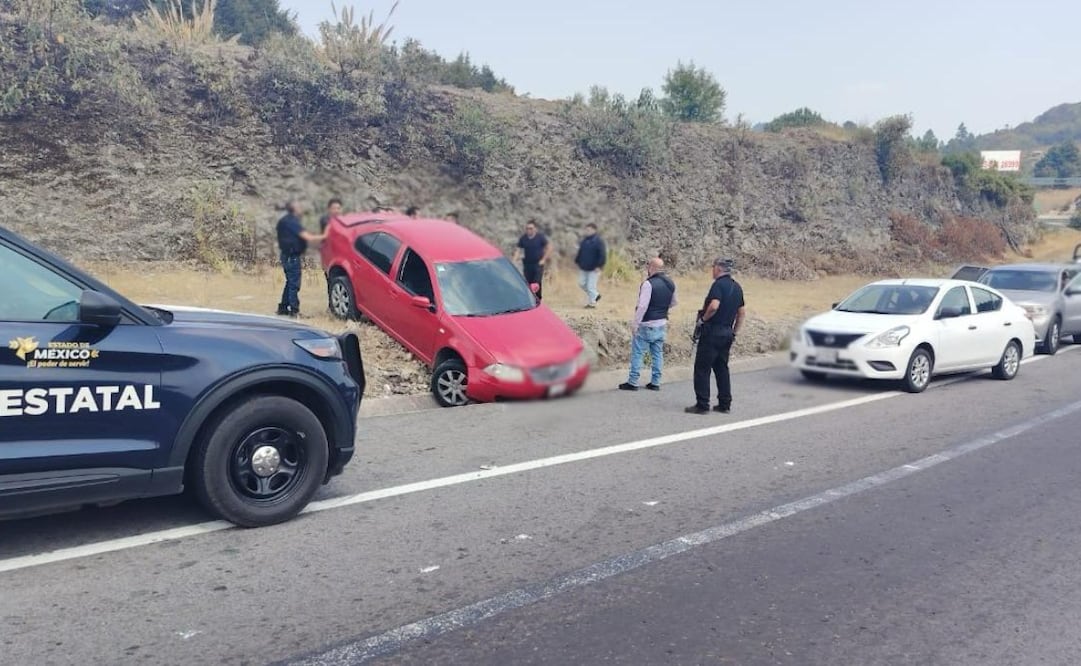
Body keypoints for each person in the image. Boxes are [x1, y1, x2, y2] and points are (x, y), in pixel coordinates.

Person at [686, 257, 745, 414]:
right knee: (721, 368)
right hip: (727, 332)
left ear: (719, 269)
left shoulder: (718, 285)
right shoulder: (737, 287)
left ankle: (702, 404)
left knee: (702, 368)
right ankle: (725, 403)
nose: (712, 270)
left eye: (713, 267)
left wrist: (703, 320)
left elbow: (714, 306)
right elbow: (741, 312)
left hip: (713, 332)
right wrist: (734, 332)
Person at [620, 257, 677, 391]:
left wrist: (635, 324)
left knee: (638, 352)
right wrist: (662, 309)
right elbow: (674, 302)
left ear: (651, 267)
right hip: (662, 323)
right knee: (657, 353)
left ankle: (633, 381)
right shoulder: (671, 283)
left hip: (647, 324)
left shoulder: (648, 284)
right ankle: (656, 381)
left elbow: (642, 306)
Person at [276, 201, 325, 318]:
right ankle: (294, 311)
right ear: (293, 209)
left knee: (289, 283)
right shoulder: (291, 222)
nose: (301, 208)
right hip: (291, 257)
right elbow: (307, 237)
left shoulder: (285, 220)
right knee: (294, 284)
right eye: (299, 206)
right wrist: (325, 236)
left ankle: (283, 308)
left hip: (286, 255)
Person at [513, 219, 551, 300]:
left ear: (535, 229)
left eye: (531, 228)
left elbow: (549, 248)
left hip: (538, 263)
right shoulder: (523, 238)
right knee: (528, 282)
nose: (529, 230)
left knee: (536, 283)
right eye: (527, 228)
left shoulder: (540, 237)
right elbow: (518, 250)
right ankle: (531, 299)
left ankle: (538, 299)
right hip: (527, 264)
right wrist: (514, 260)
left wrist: (543, 259)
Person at [574, 223, 607, 308]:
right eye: (586, 230)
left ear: (594, 230)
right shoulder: (584, 241)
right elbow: (580, 252)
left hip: (594, 268)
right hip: (584, 267)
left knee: (590, 286)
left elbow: (602, 255)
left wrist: (599, 266)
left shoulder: (599, 242)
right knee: (581, 283)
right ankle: (596, 295)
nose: (587, 231)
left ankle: (592, 303)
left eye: (589, 230)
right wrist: (577, 261)